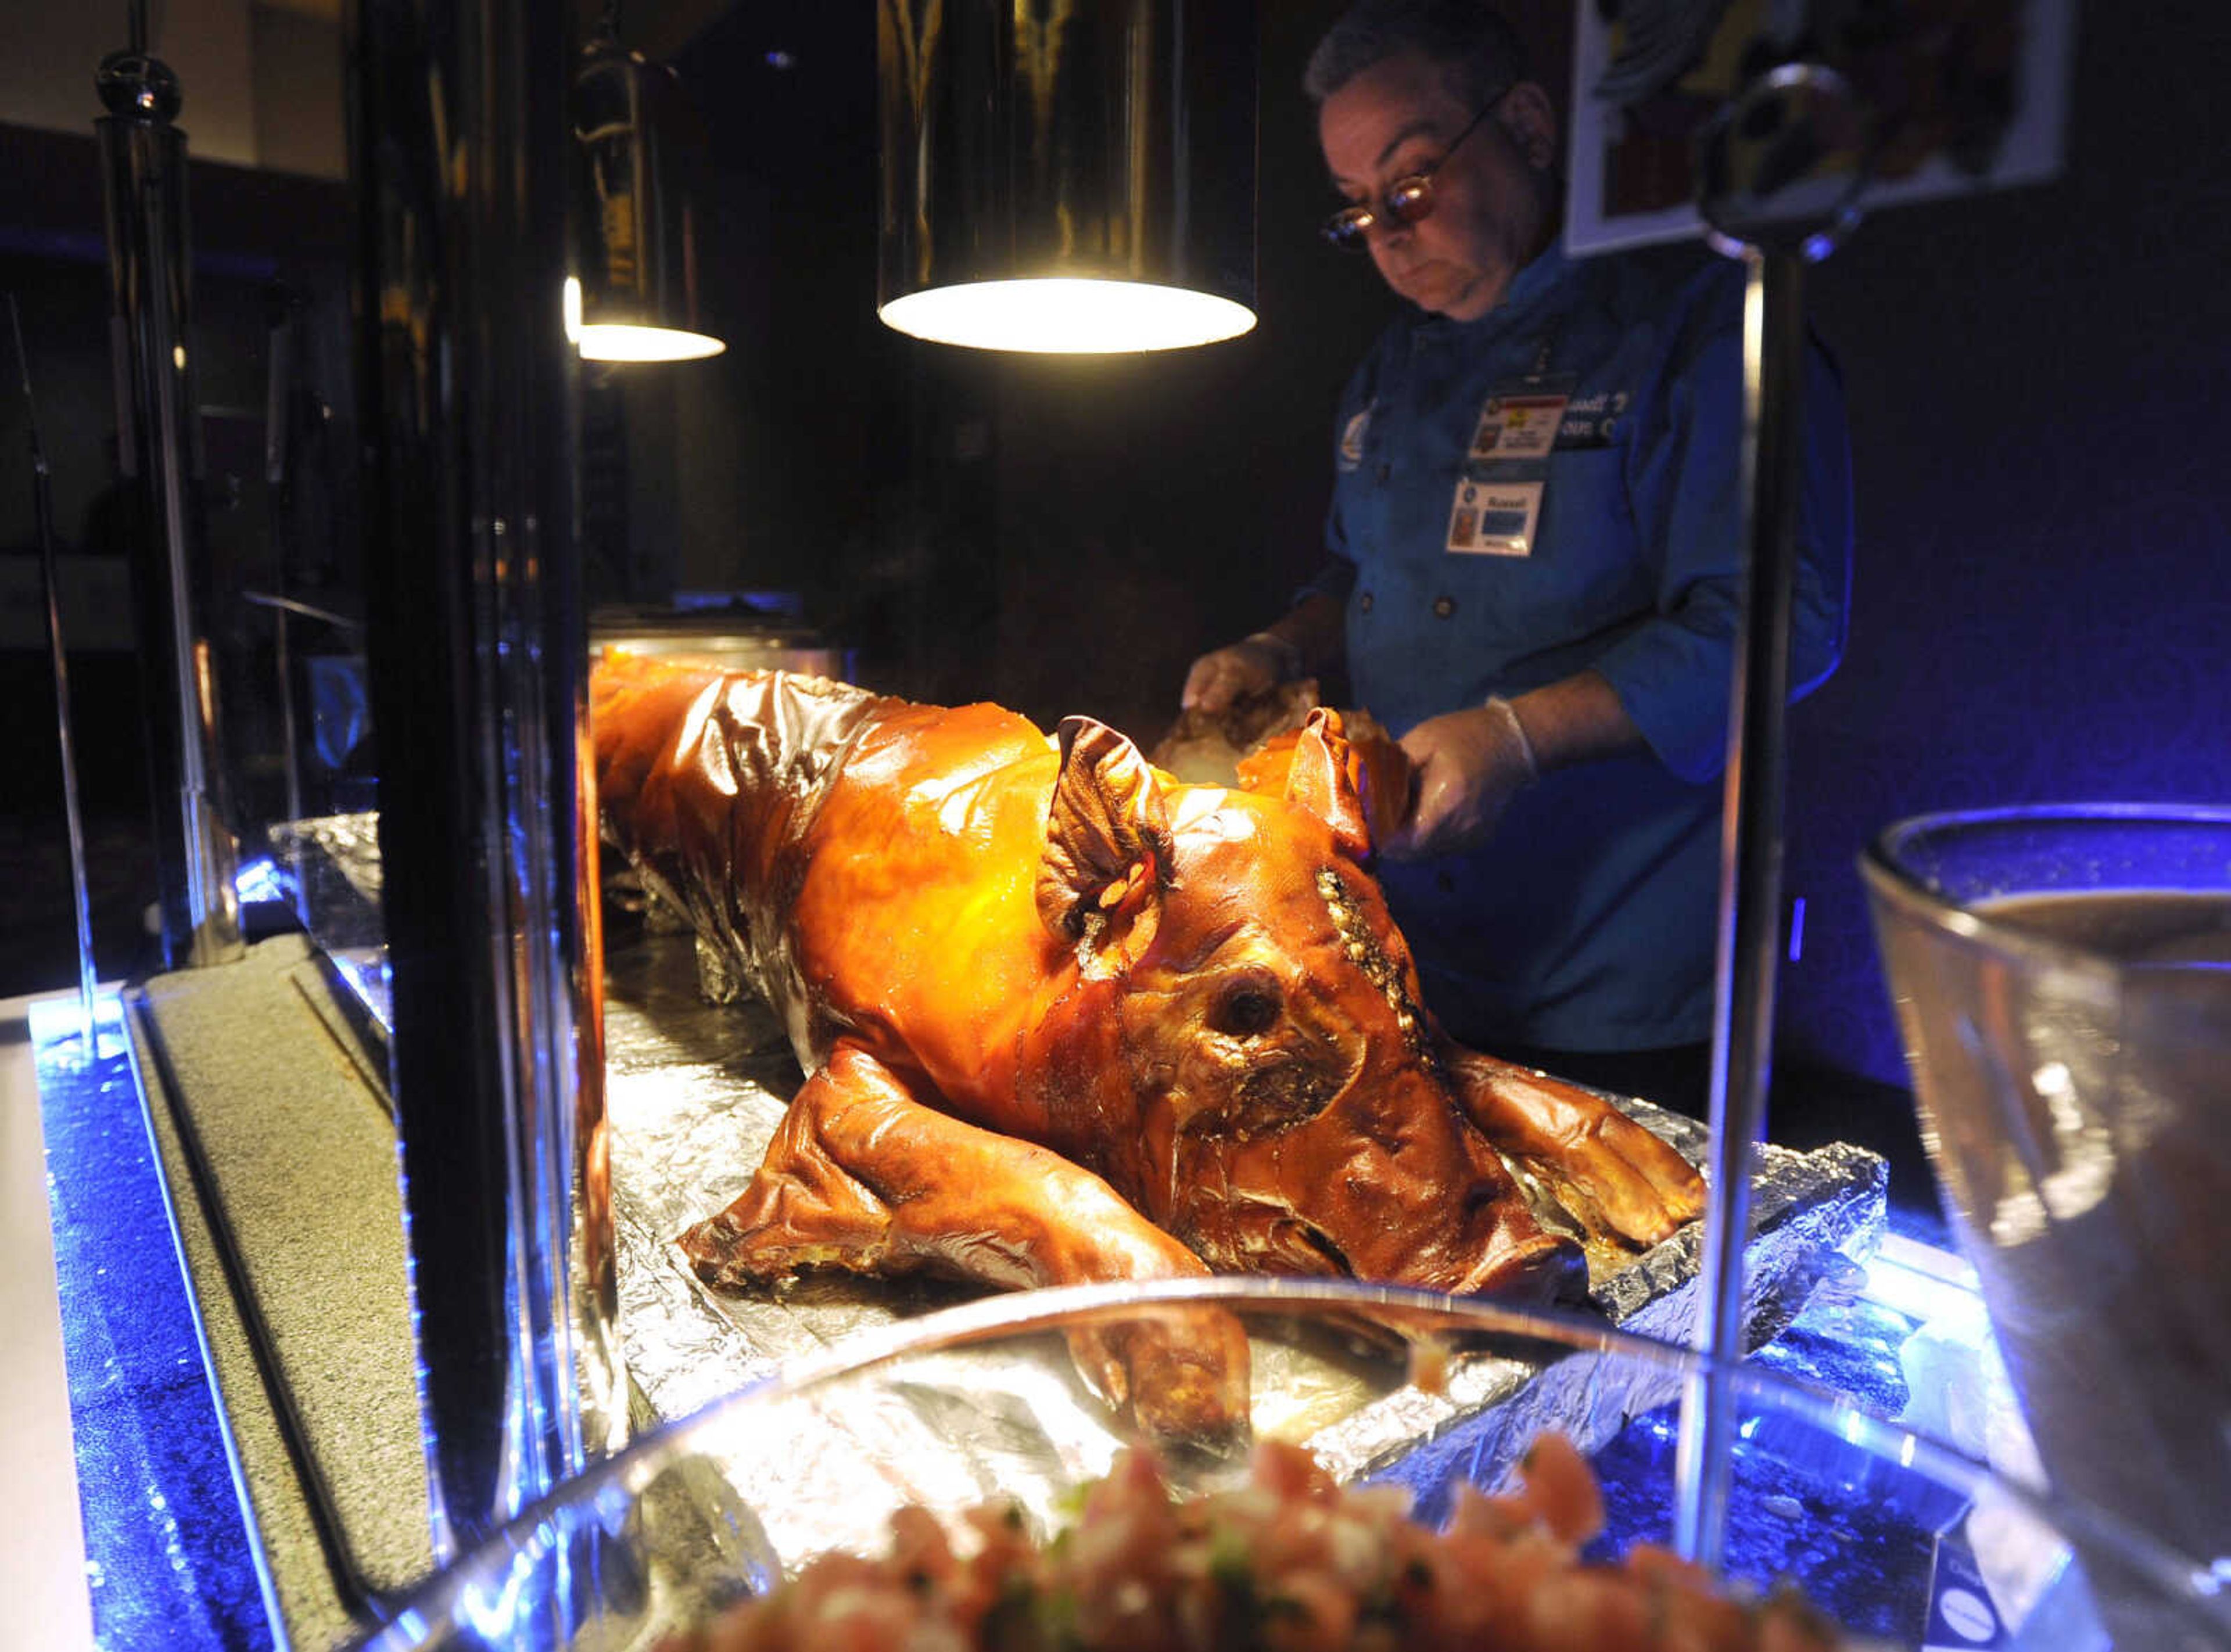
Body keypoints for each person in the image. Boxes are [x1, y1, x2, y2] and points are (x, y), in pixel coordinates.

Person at [1181, 0, 1852, 1115]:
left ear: (1531, 126)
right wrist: (1278, 645)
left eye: (1410, 185)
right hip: (1411, 956)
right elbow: (1355, 578)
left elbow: (1777, 626)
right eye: (1357, 212)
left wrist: (1517, 740)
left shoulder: (1698, 331)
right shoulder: (1389, 374)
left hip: (1626, 981)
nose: (1387, 237)